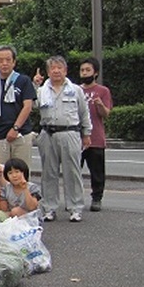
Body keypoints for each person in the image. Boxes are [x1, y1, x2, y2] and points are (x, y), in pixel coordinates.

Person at [36, 55, 93, 222]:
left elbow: (84, 113)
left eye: (59, 67)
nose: (56, 71)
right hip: (47, 133)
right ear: (48, 72)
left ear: (65, 70)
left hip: (70, 133)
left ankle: (75, 208)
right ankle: (49, 208)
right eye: (52, 68)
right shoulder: (41, 91)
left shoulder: (75, 90)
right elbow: (31, 105)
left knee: (72, 172)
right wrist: (35, 85)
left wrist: (87, 133)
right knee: (48, 173)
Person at [0, 45, 36, 165]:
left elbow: (27, 106)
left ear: (14, 62)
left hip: (21, 133)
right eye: (1, 60)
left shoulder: (23, 80)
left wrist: (15, 128)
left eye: (8, 60)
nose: (4, 63)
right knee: (0, 172)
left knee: (21, 172)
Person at [78, 57, 112, 211]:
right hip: (76, 138)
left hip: (96, 137)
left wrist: (100, 105)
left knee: (97, 172)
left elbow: (106, 114)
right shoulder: (76, 90)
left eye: (88, 70)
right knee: (74, 170)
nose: (85, 73)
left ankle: (97, 198)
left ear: (95, 73)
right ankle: (75, 198)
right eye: (82, 70)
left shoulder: (103, 91)